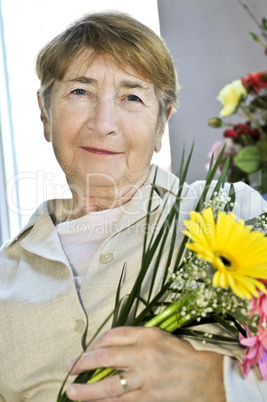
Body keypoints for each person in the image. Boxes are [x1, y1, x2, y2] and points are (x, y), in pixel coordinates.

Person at [0, 11, 266, 402]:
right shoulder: (7, 274)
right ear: (45, 113)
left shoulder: (231, 213)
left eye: (132, 97)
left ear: (162, 124)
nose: (103, 122)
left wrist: (216, 383)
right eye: (80, 91)